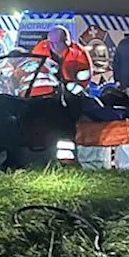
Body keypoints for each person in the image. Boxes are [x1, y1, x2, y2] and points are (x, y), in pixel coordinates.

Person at [29, 25, 92, 163]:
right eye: (50, 42)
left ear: (67, 42)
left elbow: (85, 77)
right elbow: (31, 66)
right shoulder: (41, 47)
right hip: (46, 95)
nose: (52, 45)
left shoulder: (78, 53)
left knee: (66, 125)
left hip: (71, 96)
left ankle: (67, 158)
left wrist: (71, 92)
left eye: (56, 43)